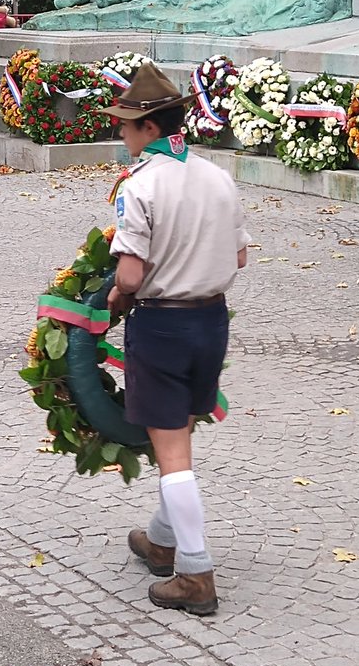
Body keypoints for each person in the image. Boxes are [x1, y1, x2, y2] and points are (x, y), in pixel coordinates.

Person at [102, 63, 250, 617]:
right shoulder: (218, 175)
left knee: (171, 453)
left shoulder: (142, 184)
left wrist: (115, 297)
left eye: (124, 125)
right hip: (211, 322)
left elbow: (132, 277)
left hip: (161, 324)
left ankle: (194, 571)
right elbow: (238, 256)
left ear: (145, 127)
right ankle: (162, 539)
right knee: (181, 434)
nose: (120, 134)